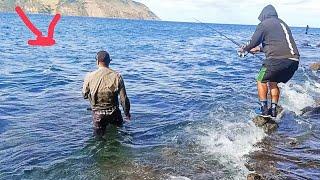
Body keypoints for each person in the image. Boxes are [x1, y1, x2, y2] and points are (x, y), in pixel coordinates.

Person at [239, 5, 300, 117]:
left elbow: (252, 42)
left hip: (277, 60)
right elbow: (279, 44)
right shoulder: (282, 24)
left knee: (260, 80)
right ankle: (273, 110)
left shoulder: (264, 24)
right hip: (293, 61)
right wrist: (260, 49)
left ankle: (264, 110)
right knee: (273, 82)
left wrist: (244, 49)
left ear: (264, 15)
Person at [82, 50, 131, 136]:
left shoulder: (89, 76)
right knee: (119, 136)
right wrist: (127, 113)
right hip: (114, 113)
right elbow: (123, 99)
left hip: (98, 115)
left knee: (99, 139)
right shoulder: (117, 76)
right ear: (109, 62)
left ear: (97, 62)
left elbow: (84, 95)